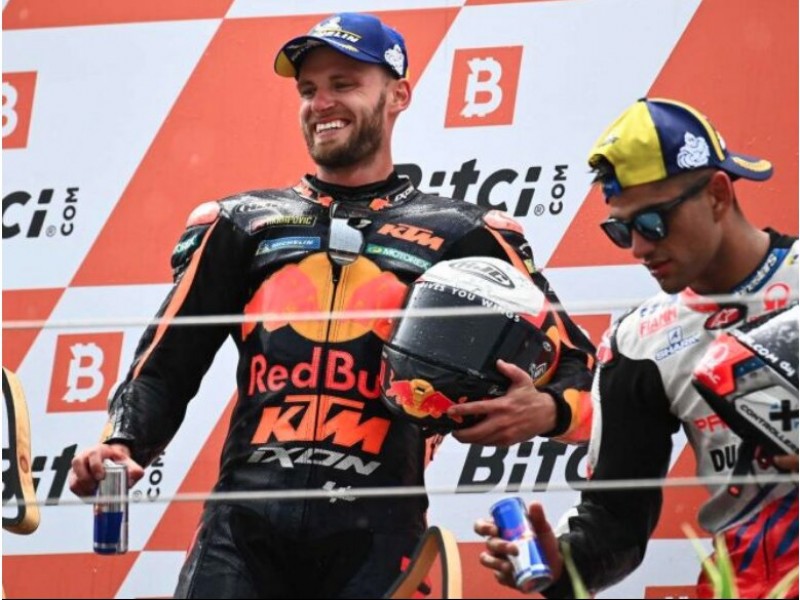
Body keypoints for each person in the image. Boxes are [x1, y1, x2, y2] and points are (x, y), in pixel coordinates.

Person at [68, 12, 595, 599]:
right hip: (242, 530)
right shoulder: (241, 223)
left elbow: (575, 361)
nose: (321, 104)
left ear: (398, 95)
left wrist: (550, 410)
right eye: (308, 89)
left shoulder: (465, 232)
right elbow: (165, 365)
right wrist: (122, 443)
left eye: (343, 84)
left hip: (379, 532)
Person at [474, 98, 799, 598]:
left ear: (717, 195)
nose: (639, 249)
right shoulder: (640, 341)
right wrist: (562, 564)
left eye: (653, 223)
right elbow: (615, 522)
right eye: (621, 230)